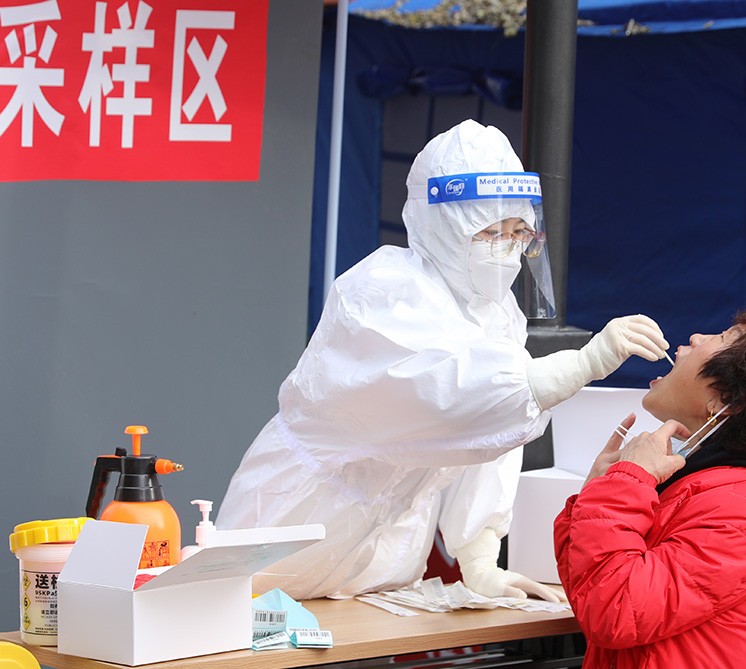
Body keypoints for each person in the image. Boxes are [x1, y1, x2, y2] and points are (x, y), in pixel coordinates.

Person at [215, 119, 673, 601]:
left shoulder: (498, 313)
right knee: (239, 626)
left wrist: (479, 555)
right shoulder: (382, 291)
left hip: (385, 561)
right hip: (288, 528)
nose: (508, 249)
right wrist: (584, 363)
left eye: (518, 231)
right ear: (445, 226)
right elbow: (448, 399)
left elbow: (486, 439)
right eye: (491, 231)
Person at [553, 296, 746, 667]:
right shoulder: (703, 485)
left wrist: (624, 484)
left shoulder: (744, 509)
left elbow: (614, 611)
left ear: (726, 400)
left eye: (723, 337)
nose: (696, 337)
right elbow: (590, 592)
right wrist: (598, 492)